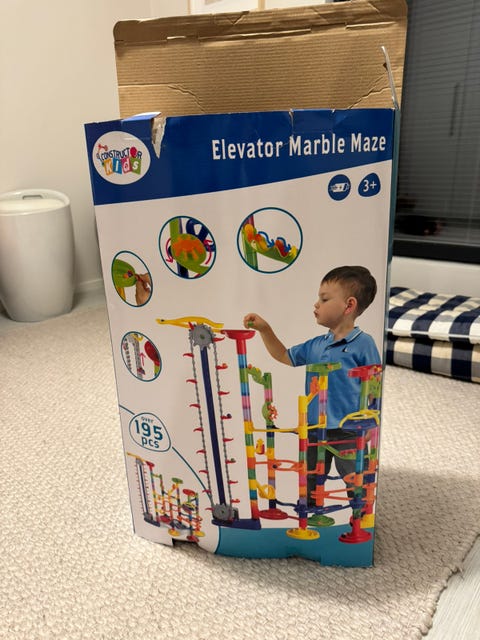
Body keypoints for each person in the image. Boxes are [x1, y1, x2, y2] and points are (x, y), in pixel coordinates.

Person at [243, 265, 381, 506]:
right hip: (315, 427)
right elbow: (284, 355)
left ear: (349, 305)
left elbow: (375, 385)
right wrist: (265, 329)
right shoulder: (317, 345)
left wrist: (373, 421)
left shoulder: (364, 344)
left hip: (349, 428)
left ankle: (360, 517)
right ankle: (311, 516)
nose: (316, 304)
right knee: (310, 479)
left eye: (324, 299)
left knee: (355, 477)